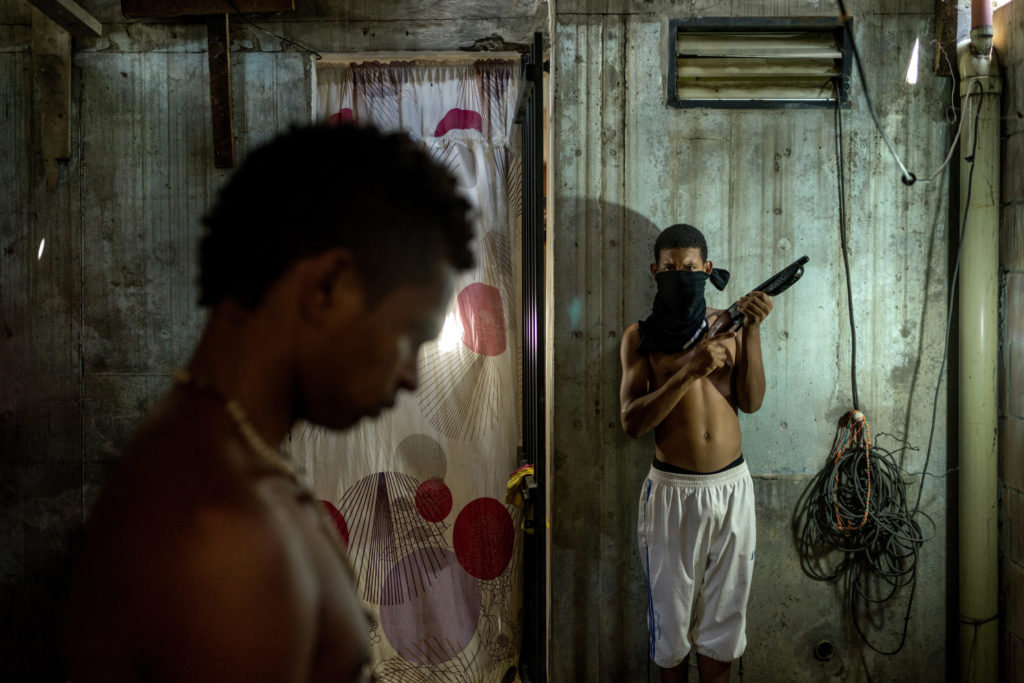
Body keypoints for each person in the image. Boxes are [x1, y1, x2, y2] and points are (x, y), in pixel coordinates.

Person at [63, 124, 475, 682]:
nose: (410, 376)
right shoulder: (224, 533)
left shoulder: (229, 453)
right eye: (410, 335)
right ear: (326, 287)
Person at [619, 223, 774, 683]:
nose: (681, 274)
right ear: (655, 271)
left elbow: (751, 402)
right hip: (671, 493)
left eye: (690, 267)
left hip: (732, 488)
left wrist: (755, 330)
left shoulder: (731, 325)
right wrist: (692, 371)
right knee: (670, 630)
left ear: (707, 269)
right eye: (671, 268)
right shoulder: (640, 337)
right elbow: (631, 421)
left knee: (725, 622)